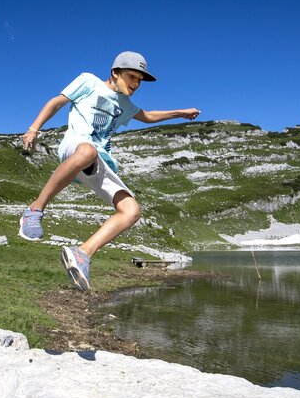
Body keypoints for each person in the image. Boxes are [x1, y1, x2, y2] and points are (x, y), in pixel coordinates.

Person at [19, 51, 199, 291]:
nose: (136, 84)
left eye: (139, 80)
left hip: (99, 161)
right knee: (87, 151)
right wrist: (33, 129)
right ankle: (34, 210)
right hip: (75, 149)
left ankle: (82, 254)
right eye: (131, 76)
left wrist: (181, 113)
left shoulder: (124, 104)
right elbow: (56, 102)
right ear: (115, 72)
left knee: (131, 210)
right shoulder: (88, 81)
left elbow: (147, 116)